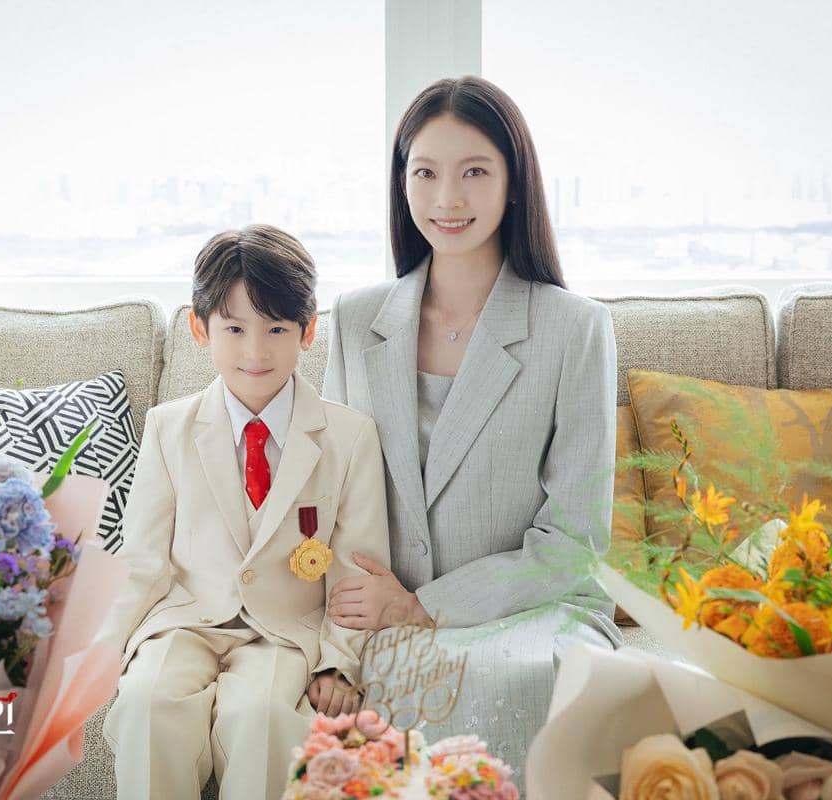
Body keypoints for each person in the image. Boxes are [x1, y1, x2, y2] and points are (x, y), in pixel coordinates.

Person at [323, 76, 620, 784]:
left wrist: (425, 607)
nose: (447, 198)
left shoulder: (575, 328)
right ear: (402, 183)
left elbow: (576, 542)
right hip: (381, 615)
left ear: (514, 183)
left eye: (475, 172)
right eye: (425, 173)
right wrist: (365, 613)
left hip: (530, 610)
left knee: (522, 676)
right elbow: (330, 498)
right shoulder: (355, 321)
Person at [98, 224, 390, 800]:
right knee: (146, 704)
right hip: (184, 621)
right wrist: (102, 649)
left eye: (276, 329)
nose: (256, 352)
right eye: (234, 329)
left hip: (284, 634)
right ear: (199, 328)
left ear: (308, 331)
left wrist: (339, 662)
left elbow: (355, 571)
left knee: (262, 719)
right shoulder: (168, 428)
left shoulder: (350, 436)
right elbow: (143, 561)